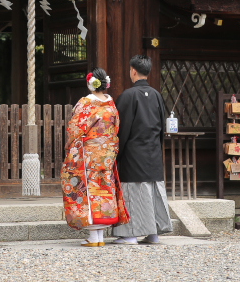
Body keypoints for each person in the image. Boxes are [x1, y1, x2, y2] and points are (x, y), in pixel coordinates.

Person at [61, 67, 129, 247]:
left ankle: (93, 237)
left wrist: (69, 145)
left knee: (90, 190)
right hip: (107, 154)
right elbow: (115, 128)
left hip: (89, 155)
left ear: (91, 84)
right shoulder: (111, 104)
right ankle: (99, 236)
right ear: (105, 84)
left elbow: (75, 128)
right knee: (104, 188)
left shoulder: (85, 103)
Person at [111, 55, 173, 245]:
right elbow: (161, 127)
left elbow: (121, 130)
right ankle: (153, 233)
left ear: (133, 71)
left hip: (133, 153)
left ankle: (130, 234)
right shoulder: (156, 95)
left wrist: (116, 154)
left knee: (134, 193)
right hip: (153, 151)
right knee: (153, 192)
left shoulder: (127, 96)